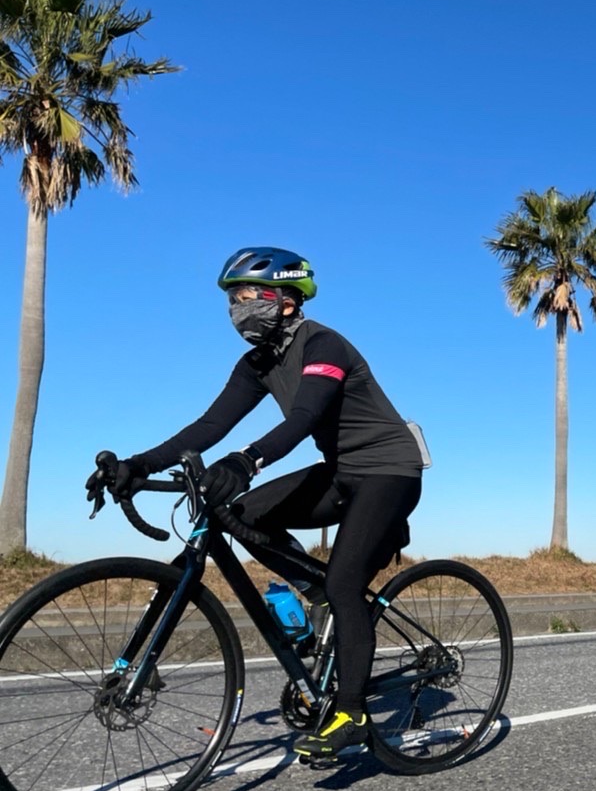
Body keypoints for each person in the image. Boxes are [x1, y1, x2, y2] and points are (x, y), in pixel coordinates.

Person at [86, 247, 427, 758]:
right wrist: (139, 465)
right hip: (340, 472)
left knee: (344, 581)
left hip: (389, 469)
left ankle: (351, 711)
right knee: (240, 515)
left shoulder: (324, 345)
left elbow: (304, 417)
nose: (238, 307)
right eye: (232, 299)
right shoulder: (258, 362)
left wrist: (247, 462)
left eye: (250, 295)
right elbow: (209, 425)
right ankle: (321, 591)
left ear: (287, 301)